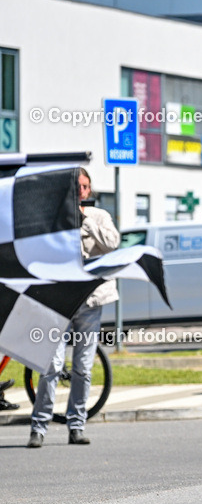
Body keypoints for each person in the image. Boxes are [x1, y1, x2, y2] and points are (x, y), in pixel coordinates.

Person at [28, 168, 118, 448]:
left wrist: (86, 222)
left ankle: (76, 425)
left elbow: (112, 245)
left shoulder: (100, 217)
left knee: (82, 368)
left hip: (91, 302)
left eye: (86, 186)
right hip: (59, 302)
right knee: (51, 366)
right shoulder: (54, 217)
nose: (82, 190)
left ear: (90, 191)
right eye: (77, 186)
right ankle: (38, 428)